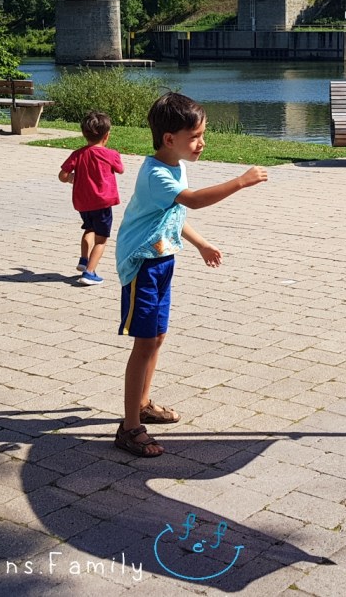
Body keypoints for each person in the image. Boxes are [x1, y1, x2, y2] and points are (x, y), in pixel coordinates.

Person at [113, 92, 267, 457]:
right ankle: (129, 426)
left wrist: (201, 243)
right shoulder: (156, 174)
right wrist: (241, 181)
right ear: (169, 139)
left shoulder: (176, 165)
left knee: (158, 337)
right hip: (142, 267)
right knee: (144, 343)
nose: (202, 143)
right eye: (195, 136)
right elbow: (193, 200)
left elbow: (173, 217)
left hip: (162, 261)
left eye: (203, 134)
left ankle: (143, 403)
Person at [58, 111, 125, 286]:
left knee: (89, 228)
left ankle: (83, 259)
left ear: (84, 134)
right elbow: (120, 169)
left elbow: (62, 175)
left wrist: (71, 177)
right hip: (102, 203)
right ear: (107, 135)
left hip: (83, 203)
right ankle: (89, 273)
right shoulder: (111, 154)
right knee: (101, 240)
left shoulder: (77, 154)